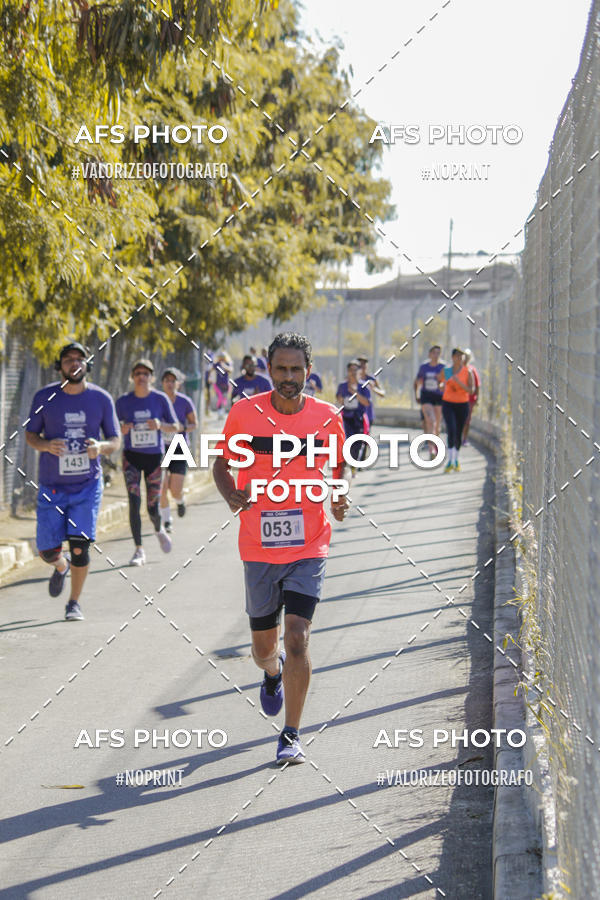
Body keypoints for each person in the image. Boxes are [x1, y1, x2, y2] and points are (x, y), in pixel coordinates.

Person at [213, 332, 349, 765]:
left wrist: (340, 493)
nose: (289, 378)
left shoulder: (327, 417)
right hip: (258, 546)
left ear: (309, 371)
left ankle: (290, 734)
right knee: (262, 649)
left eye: (296, 370)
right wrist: (230, 492)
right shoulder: (244, 414)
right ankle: (271, 674)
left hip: (310, 544)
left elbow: (341, 460)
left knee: (298, 638)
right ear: (268, 370)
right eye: (281, 369)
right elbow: (221, 462)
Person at [25, 342, 120, 620]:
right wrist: (46, 446)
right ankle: (60, 567)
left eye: (80, 359)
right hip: (52, 485)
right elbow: (31, 435)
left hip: (87, 486)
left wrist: (100, 447)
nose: (74, 363)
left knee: (80, 545)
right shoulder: (44, 396)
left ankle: (74, 603)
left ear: (87, 365)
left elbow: (115, 440)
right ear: (60, 365)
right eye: (68, 359)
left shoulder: (101, 399)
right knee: (46, 550)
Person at [116, 359, 180, 565]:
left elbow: (176, 426)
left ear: (151, 377)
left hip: (154, 458)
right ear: (132, 377)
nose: (141, 377)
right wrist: (121, 429)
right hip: (131, 457)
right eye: (137, 373)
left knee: (153, 506)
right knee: (134, 503)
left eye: (145, 373)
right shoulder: (124, 401)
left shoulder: (160, 399)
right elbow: (112, 429)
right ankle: (138, 550)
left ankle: (158, 528)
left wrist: (161, 425)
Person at [159, 367, 198, 533]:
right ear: (162, 383)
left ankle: (180, 500)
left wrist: (183, 427)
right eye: (167, 380)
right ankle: (167, 520)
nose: (170, 383)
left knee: (175, 489)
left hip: (179, 447)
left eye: (173, 380)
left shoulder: (185, 401)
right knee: (161, 485)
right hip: (160, 447)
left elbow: (194, 424)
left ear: (179, 384)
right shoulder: (156, 401)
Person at [437, 349, 475, 472]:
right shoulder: (447, 371)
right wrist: (442, 386)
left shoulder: (467, 372)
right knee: (451, 429)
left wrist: (459, 382)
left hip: (462, 404)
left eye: (462, 357)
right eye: (458, 356)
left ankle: (456, 460)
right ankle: (450, 461)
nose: (460, 359)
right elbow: (441, 382)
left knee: (458, 431)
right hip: (448, 403)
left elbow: (471, 390)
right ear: (453, 357)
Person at [336, 360, 371, 469]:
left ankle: (353, 464)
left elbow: (367, 402)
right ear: (348, 371)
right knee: (347, 440)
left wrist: (355, 393)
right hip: (346, 417)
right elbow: (339, 398)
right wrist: (342, 399)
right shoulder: (342, 385)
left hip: (358, 417)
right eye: (351, 370)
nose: (353, 372)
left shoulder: (364, 386)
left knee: (358, 442)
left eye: (356, 370)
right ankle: (349, 463)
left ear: (359, 371)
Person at [414, 345, 445, 459]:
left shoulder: (443, 367)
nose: (436, 355)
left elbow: (447, 382)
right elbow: (417, 381)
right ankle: (431, 448)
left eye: (438, 353)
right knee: (430, 421)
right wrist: (416, 394)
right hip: (426, 396)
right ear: (429, 354)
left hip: (438, 397)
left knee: (437, 425)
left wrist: (441, 383)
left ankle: (436, 444)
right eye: (434, 353)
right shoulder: (424, 367)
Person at [357, 355, 385, 432]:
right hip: (354, 412)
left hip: (367, 412)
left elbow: (382, 394)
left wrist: (373, 389)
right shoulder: (352, 378)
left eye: (364, 364)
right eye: (360, 365)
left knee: (366, 436)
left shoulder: (371, 379)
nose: (362, 366)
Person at [462, 348, 481, 446]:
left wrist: (477, 397)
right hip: (456, 399)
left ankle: (464, 438)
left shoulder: (472, 370)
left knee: (467, 420)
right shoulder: (455, 369)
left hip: (469, 399)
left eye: (467, 357)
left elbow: (477, 385)